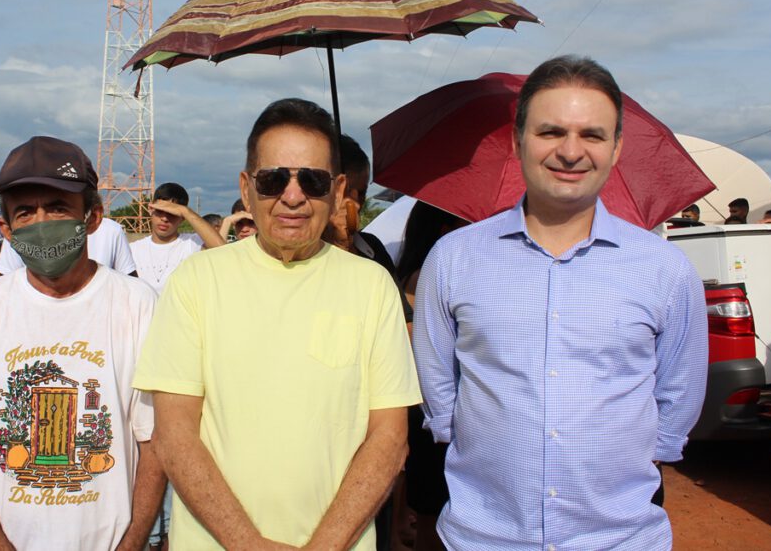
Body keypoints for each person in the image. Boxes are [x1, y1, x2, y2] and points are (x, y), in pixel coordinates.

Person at [413, 55, 708, 551]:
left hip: (620, 538)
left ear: (616, 148)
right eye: (551, 132)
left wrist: (638, 455)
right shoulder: (454, 258)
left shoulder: (665, 269)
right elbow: (437, 379)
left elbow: (679, 390)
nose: (571, 152)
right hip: (483, 536)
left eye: (592, 135)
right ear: (518, 141)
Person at [133, 98, 422, 549]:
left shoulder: (372, 287)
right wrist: (249, 544)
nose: (293, 196)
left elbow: (389, 438)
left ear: (338, 189)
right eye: (273, 180)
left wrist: (324, 545)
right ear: (247, 188)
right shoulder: (196, 281)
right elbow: (174, 436)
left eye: (312, 180)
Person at [0, 135, 164, 551]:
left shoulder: (138, 305)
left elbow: (155, 443)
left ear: (92, 217)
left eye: (58, 207)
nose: (42, 222)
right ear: (6, 230)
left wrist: (131, 543)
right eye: (25, 212)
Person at [396, 202, 467, 551]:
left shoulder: (414, 271)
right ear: (444, 231)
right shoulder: (430, 274)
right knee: (434, 515)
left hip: (425, 411)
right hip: (434, 412)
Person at [129, 182, 224, 293]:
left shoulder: (192, 243)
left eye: (172, 213)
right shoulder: (132, 249)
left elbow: (222, 249)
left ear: (182, 218)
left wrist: (185, 211)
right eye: (160, 211)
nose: (164, 218)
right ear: (151, 209)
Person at [324, 134, 396, 276]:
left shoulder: (372, 247)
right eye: (345, 192)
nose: (355, 203)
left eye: (361, 193)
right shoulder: (300, 253)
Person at [0, 215, 137, 276]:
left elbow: (129, 283)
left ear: (94, 217)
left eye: (58, 209)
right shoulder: (21, 232)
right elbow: (3, 281)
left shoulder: (110, 231)